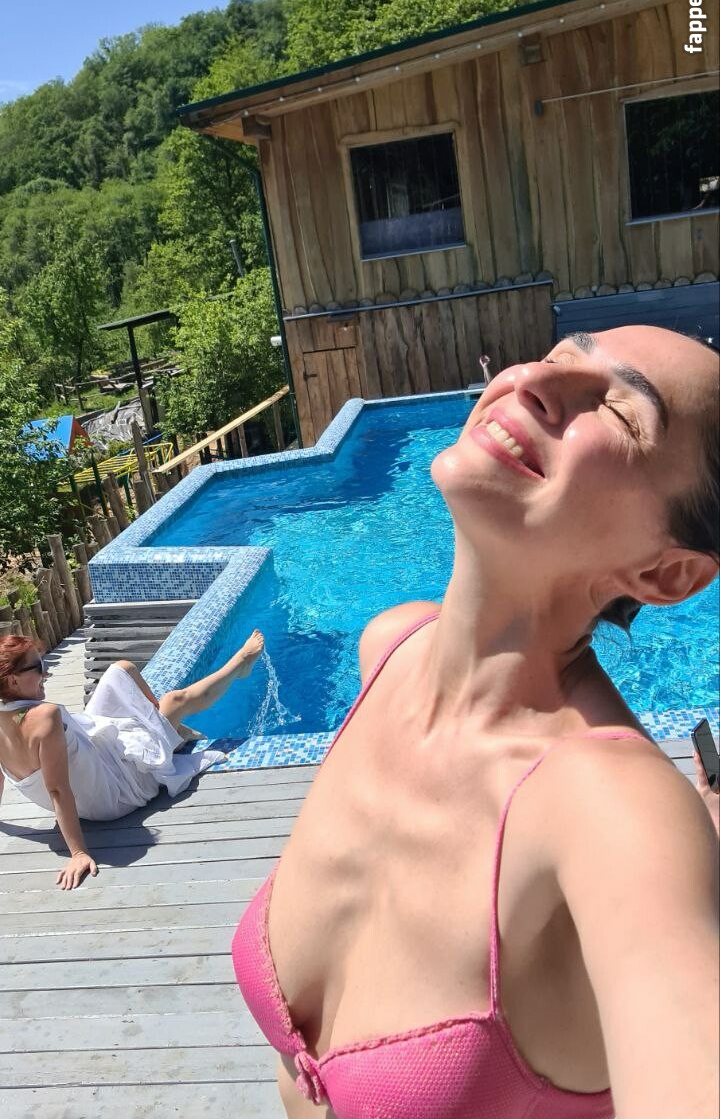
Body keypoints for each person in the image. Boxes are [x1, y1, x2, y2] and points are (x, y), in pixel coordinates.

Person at [232, 325, 719, 1119]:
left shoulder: (612, 808)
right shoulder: (392, 650)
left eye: (622, 412)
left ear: (665, 573)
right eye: (560, 357)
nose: (535, 381)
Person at [0, 629, 264, 889]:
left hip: (95, 765)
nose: (46, 673)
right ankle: (238, 665)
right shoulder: (44, 718)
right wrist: (78, 853)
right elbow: (57, 789)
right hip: (115, 793)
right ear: (12, 680)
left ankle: (162, 725)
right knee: (175, 700)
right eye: (39, 667)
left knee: (122, 669)